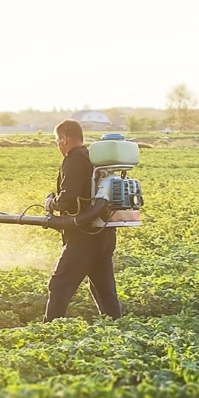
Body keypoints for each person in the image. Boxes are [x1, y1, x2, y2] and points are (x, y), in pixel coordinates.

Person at [43, 119, 121, 322]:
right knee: (103, 288)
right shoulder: (92, 158)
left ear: (64, 139)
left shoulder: (74, 159)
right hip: (103, 234)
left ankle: (48, 330)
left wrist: (51, 203)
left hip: (84, 236)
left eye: (57, 141)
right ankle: (116, 326)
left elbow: (67, 199)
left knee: (59, 285)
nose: (58, 145)